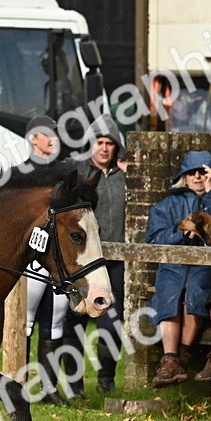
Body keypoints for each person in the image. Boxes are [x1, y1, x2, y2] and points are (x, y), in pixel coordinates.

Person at [145, 150, 211, 386]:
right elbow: (154, 238)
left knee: (196, 293)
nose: (198, 177)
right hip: (174, 265)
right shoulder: (170, 204)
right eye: (192, 173)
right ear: (184, 176)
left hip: (206, 265)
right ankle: (170, 358)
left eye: (203, 172)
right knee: (169, 294)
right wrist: (180, 234)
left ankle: (183, 353)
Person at [66, 114, 127, 395]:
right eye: (99, 142)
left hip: (115, 262)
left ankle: (106, 380)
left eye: (109, 143)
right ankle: (74, 385)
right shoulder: (77, 176)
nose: (104, 148)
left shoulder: (125, 177)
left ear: (116, 147)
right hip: (82, 262)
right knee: (75, 322)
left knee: (111, 324)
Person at [21, 115, 73, 404]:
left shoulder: (65, 172)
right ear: (33, 139)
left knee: (56, 320)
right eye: (47, 133)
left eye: (56, 132)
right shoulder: (21, 174)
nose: (54, 137)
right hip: (31, 254)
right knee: (26, 321)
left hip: (58, 255)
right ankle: (19, 382)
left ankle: (49, 388)